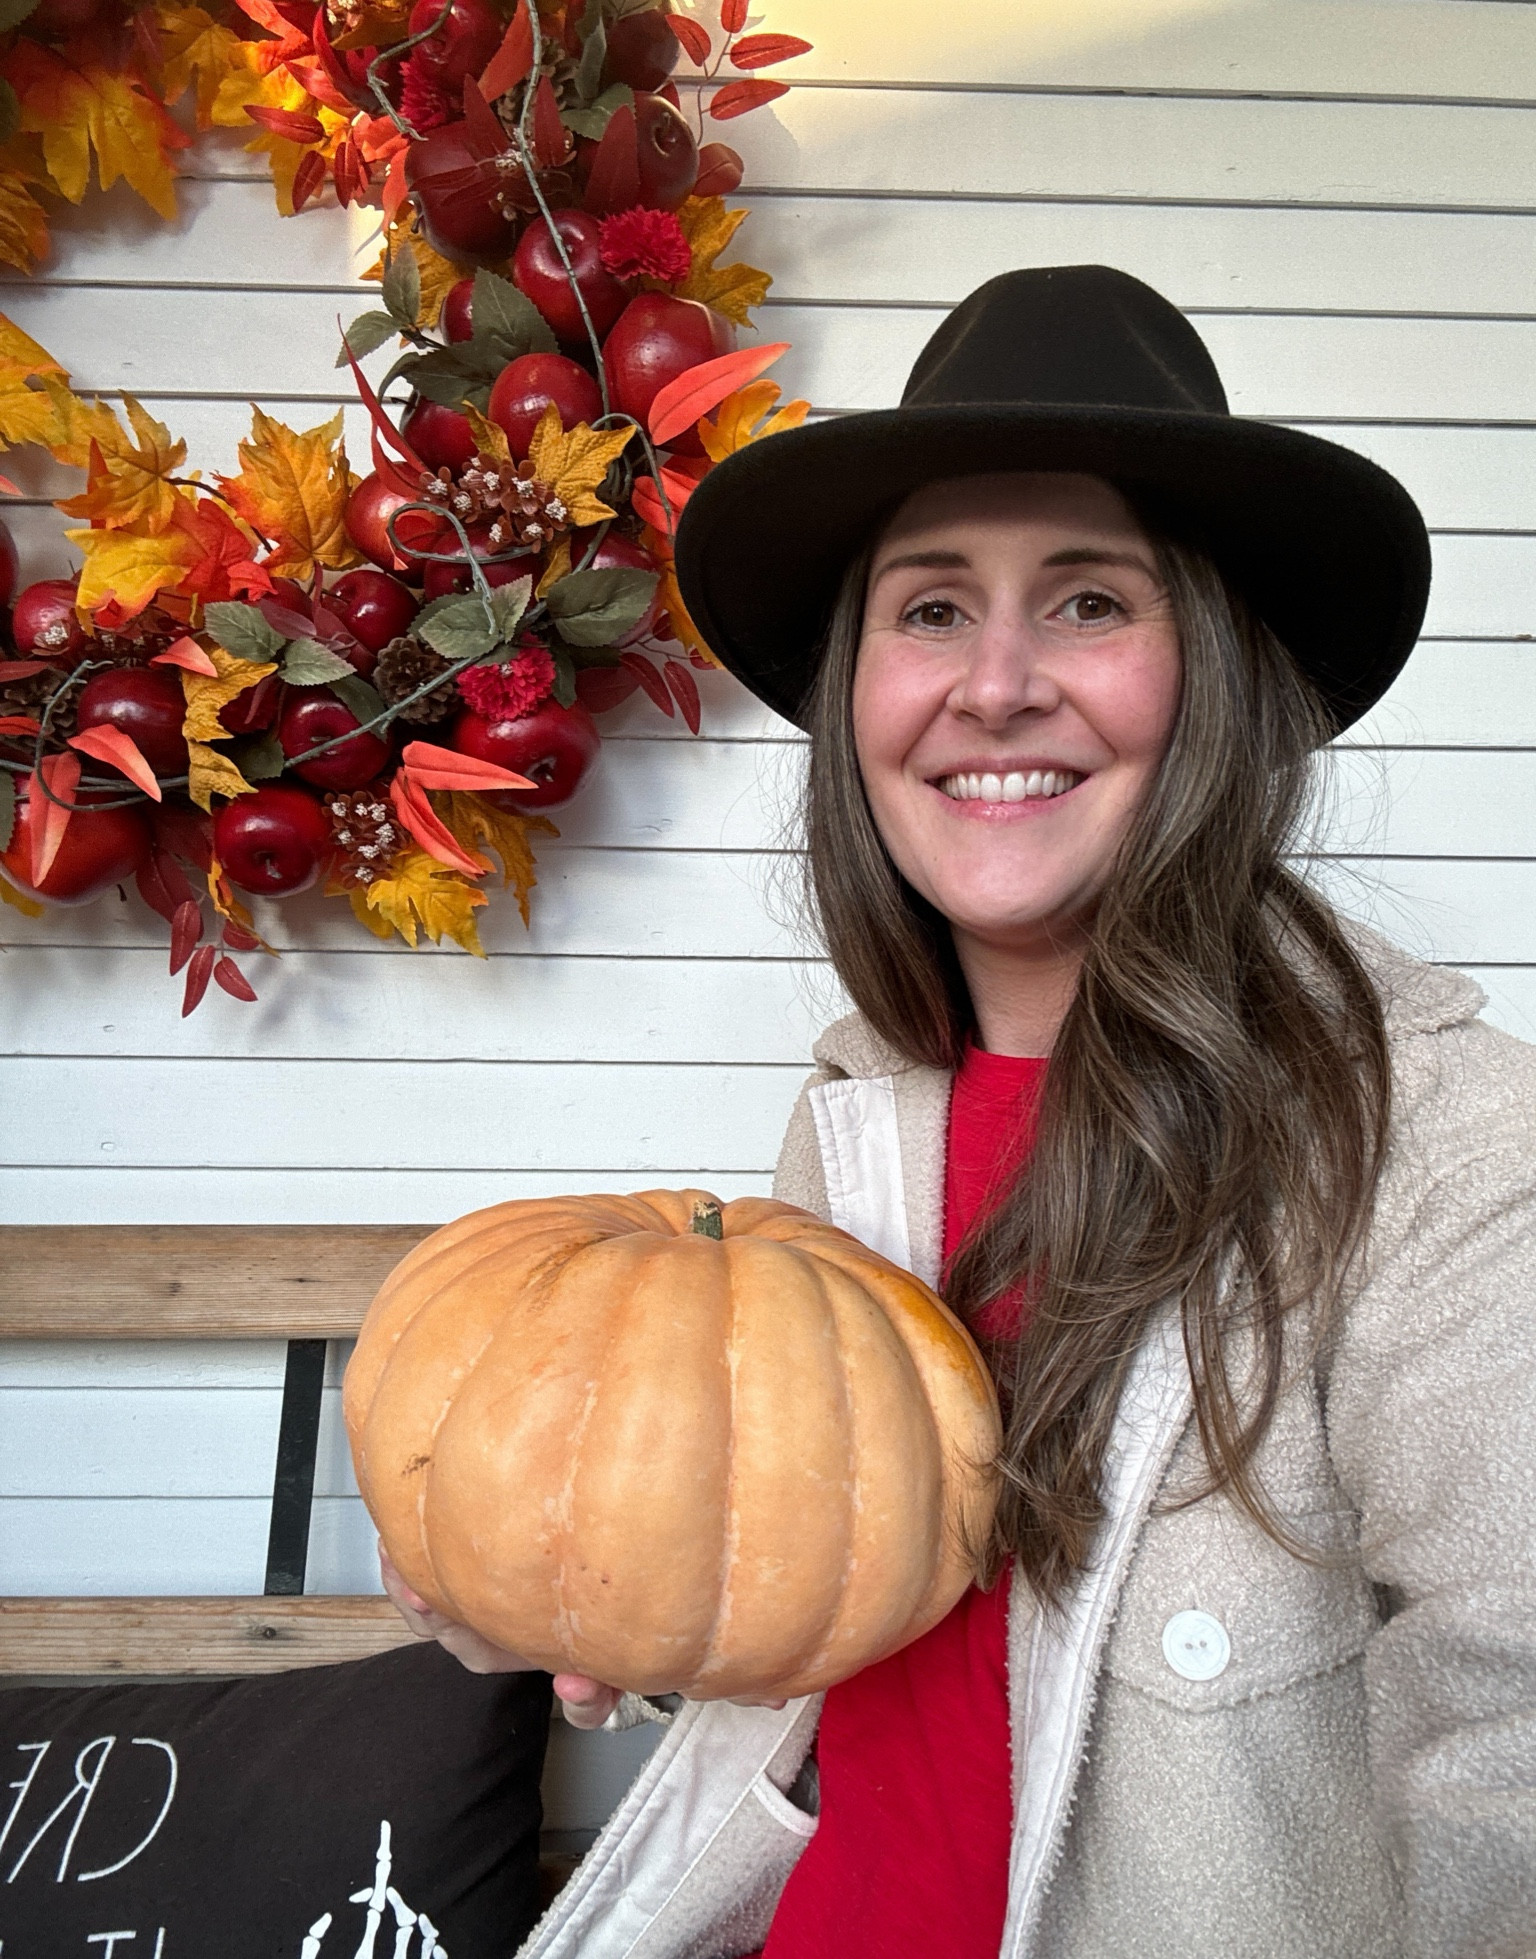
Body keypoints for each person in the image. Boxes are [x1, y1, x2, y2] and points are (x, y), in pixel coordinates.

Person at [381, 266, 1536, 1958]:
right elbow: (818, 1587)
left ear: (1210, 676)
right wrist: (575, 1579)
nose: (994, 685)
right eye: (930, 609)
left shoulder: (1436, 1145)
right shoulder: (857, 1114)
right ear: (860, 693)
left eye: (1087, 603)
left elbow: (1512, 1739)